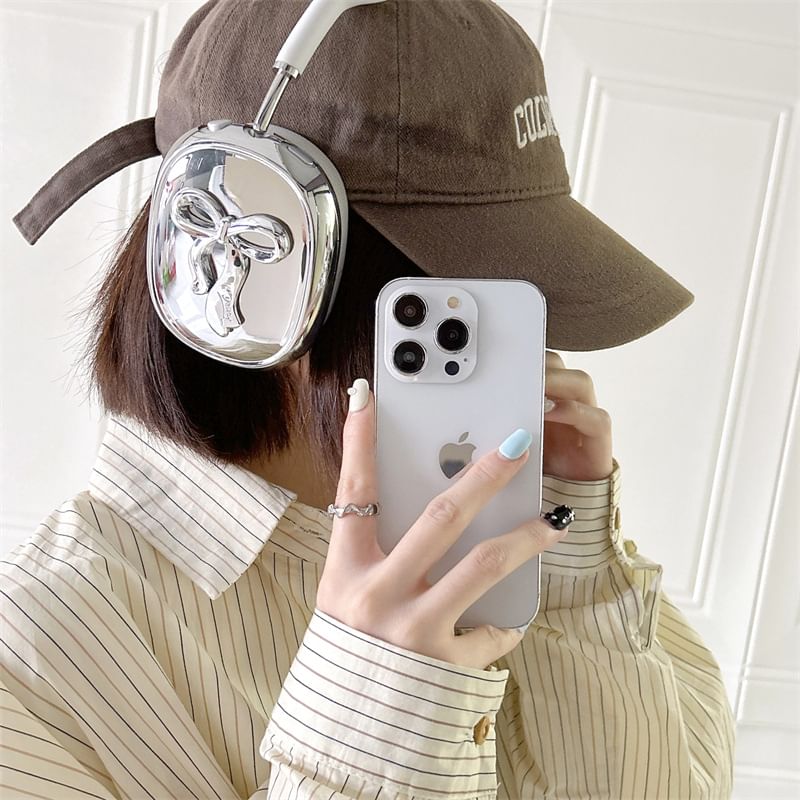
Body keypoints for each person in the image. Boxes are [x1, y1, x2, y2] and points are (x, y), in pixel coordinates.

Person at [2, 1, 735, 797]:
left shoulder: (523, 565)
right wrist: (378, 707)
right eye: (466, 306)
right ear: (265, 279)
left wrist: (572, 582)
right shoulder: (31, 668)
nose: (527, 350)